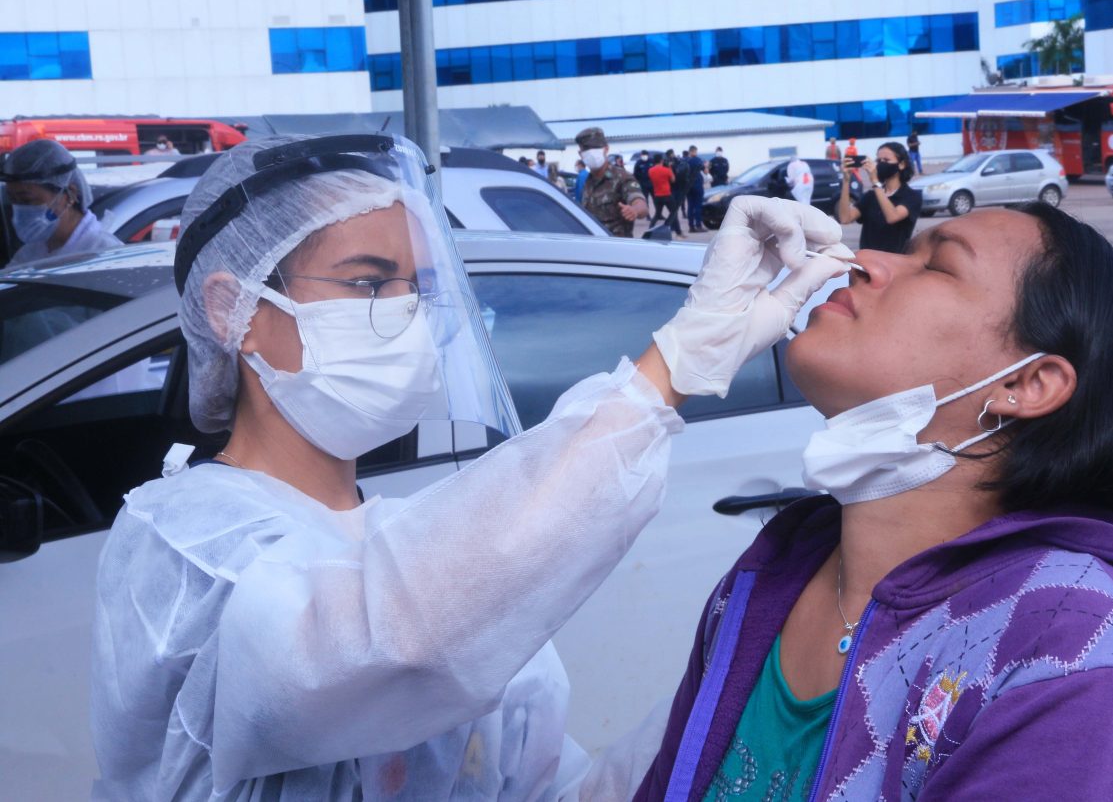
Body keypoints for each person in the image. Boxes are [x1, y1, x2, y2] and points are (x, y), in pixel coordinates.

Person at [89, 132, 855, 800]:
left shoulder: (400, 536)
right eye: (367, 282)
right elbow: (387, 640)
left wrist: (753, 698)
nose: (409, 315)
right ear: (234, 312)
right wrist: (673, 366)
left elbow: (552, 784)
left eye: (418, 288)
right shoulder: (181, 543)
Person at [635, 203, 1113, 801]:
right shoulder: (770, 577)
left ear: (1024, 384)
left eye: (937, 265)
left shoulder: (1076, 659)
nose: (863, 261)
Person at [2, 138, 120, 267]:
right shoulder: (29, 254)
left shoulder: (106, 254)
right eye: (13, 200)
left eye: (27, 200)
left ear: (70, 194)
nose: (20, 209)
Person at [837, 141, 922, 254]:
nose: (881, 164)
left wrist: (874, 181)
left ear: (902, 164)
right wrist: (846, 180)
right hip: (868, 263)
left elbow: (892, 217)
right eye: (878, 160)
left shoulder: (912, 196)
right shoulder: (871, 196)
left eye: (886, 160)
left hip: (895, 264)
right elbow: (845, 218)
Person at [576, 126, 648, 238]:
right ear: (580, 154)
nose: (591, 153)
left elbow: (641, 205)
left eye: (595, 148)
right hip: (593, 248)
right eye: (586, 150)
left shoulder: (622, 177)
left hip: (617, 249)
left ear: (606, 149)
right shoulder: (588, 181)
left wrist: (634, 210)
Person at [648, 153, 675, 226]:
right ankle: (668, 225)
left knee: (657, 214)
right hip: (667, 194)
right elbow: (673, 180)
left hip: (657, 195)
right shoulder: (666, 170)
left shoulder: (650, 170)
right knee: (673, 212)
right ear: (661, 161)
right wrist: (669, 168)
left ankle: (650, 228)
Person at [669, 150, 691, 236]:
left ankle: (674, 227)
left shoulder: (680, 163)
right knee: (674, 209)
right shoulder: (675, 164)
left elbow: (681, 175)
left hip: (677, 188)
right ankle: (675, 228)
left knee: (675, 209)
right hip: (674, 189)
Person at [686, 145, 707, 232]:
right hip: (697, 185)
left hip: (688, 186)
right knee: (698, 206)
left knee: (690, 206)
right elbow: (705, 172)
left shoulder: (685, 160)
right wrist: (706, 166)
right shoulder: (698, 160)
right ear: (694, 151)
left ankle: (691, 226)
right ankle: (698, 225)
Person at [633, 150, 654, 217]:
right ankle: (648, 215)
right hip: (643, 184)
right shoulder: (638, 163)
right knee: (645, 200)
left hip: (652, 183)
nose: (644, 156)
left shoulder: (651, 161)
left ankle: (659, 214)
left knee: (656, 199)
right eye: (643, 155)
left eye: (645, 155)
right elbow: (636, 173)